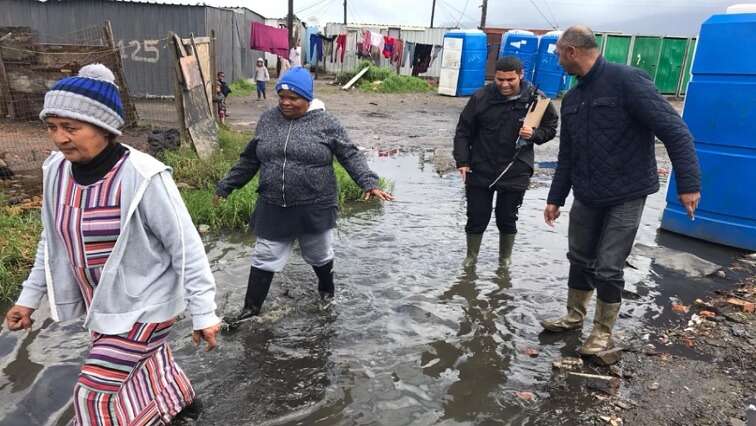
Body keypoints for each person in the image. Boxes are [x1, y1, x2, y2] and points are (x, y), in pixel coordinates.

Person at [3, 64, 221, 424]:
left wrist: (204, 312)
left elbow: (186, 246)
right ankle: (180, 403)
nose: (59, 138)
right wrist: (28, 299)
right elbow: (52, 239)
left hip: (148, 304)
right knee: (144, 363)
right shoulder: (55, 171)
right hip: (102, 305)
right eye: (52, 127)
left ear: (105, 128)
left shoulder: (142, 176)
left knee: (94, 394)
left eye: (71, 128)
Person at [542, 26, 701, 356]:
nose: (557, 60)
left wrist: (688, 185)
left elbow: (676, 132)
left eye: (558, 53)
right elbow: (567, 156)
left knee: (609, 265)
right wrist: (555, 198)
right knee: (580, 258)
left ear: (572, 51)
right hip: (587, 192)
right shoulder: (572, 98)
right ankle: (574, 316)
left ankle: (603, 332)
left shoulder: (627, 81)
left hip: (627, 192)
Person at [215, 66, 394, 322]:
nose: (286, 103)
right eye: (282, 97)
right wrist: (226, 186)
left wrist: (368, 182)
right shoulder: (268, 119)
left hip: (315, 205)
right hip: (273, 204)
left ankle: (326, 293)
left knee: (318, 254)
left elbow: (349, 154)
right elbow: (250, 159)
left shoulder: (326, 123)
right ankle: (250, 310)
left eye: (294, 98)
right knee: (265, 256)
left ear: (307, 98)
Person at [453, 56, 558, 268]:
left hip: (516, 167)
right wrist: (462, 161)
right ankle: (471, 258)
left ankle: (504, 261)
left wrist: (534, 134)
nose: (504, 84)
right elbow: (463, 131)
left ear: (521, 75)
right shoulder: (480, 97)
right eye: (499, 80)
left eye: (510, 79)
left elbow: (551, 128)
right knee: (476, 216)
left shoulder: (537, 100)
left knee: (507, 217)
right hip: (480, 166)